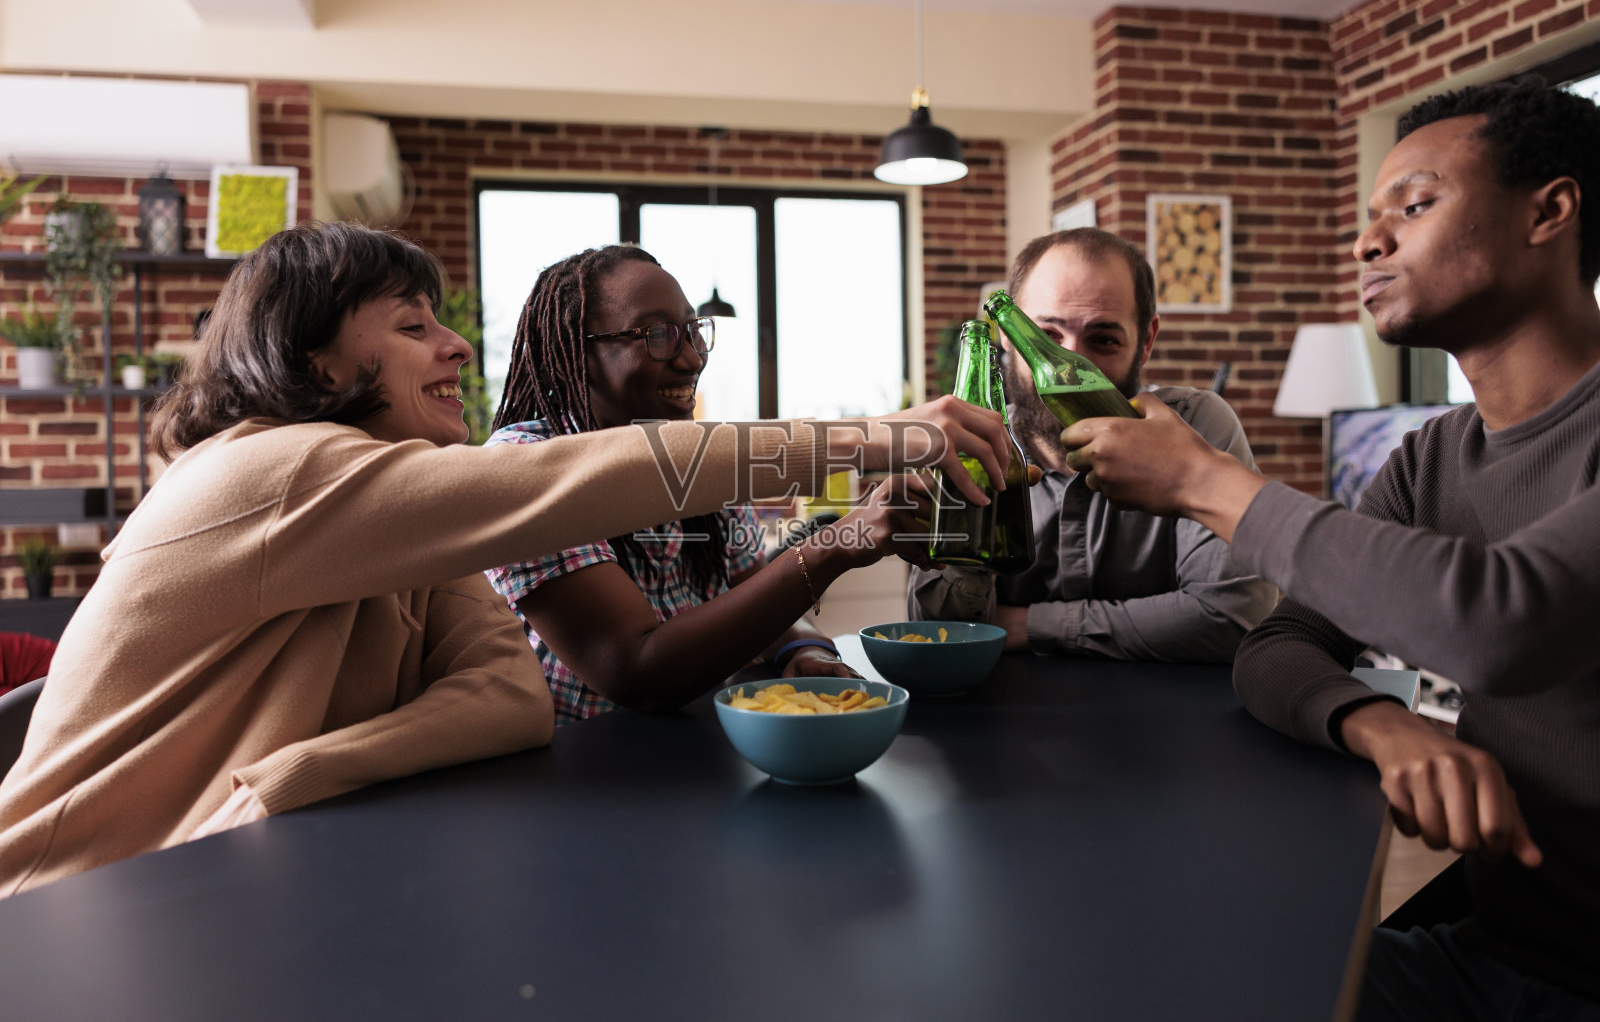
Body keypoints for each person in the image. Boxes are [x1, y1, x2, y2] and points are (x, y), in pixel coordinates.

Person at [0, 222, 1011, 895]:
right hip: (74, 908)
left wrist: (294, 770)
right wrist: (869, 437)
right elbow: (559, 491)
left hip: (228, 877)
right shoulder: (268, 476)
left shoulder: (401, 515)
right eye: (411, 326)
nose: (452, 348)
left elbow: (505, 697)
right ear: (316, 363)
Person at [1059, 77, 1600, 1016]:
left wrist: (1205, 481)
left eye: (1416, 205)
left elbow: (1501, 618)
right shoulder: (1436, 455)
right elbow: (1279, 643)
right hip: (1494, 952)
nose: (1367, 242)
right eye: (1370, 215)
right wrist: (1377, 723)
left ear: (1548, 212)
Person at [484, 246, 944, 722]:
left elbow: (750, 597)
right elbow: (637, 671)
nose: (691, 358)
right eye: (657, 335)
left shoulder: (699, 457)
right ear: (579, 353)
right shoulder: (524, 466)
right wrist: (835, 545)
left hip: (692, 758)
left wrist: (804, 651)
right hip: (574, 775)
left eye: (693, 331)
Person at [908, 228, 1276, 662]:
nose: (1066, 366)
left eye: (1103, 340)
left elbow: (1235, 616)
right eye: (1044, 336)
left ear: (1146, 341)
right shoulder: (971, 446)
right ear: (1007, 336)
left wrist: (1026, 625)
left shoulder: (1197, 426)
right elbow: (937, 633)